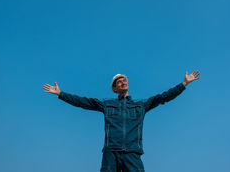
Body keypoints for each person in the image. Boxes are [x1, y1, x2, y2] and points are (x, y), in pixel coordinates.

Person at [42, 70, 200, 172]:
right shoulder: (106, 104)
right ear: (114, 89)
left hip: (132, 153)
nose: (123, 82)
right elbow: (83, 102)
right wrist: (60, 94)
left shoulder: (141, 105)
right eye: (119, 82)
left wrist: (184, 84)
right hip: (111, 152)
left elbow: (164, 97)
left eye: (124, 80)